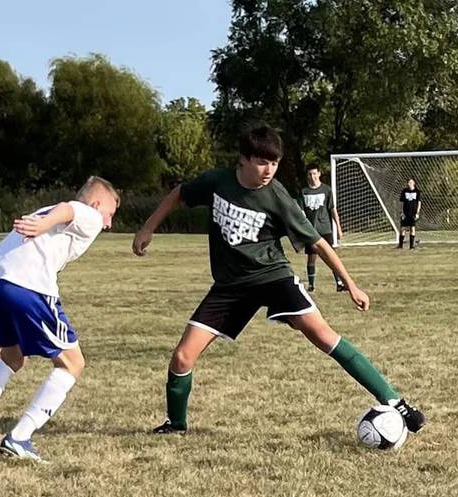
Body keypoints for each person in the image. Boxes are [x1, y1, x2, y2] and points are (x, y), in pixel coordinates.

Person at [132, 124, 425, 436]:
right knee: (182, 356)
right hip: (230, 287)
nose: (269, 169)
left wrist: (350, 283)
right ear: (242, 159)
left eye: (274, 163)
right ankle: (176, 425)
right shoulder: (217, 182)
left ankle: (395, 401)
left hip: (273, 277)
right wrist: (148, 228)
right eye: (262, 162)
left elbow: (318, 243)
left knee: (322, 335)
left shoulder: (277, 198)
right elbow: (179, 193)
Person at [0, 176, 120, 461]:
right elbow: (71, 208)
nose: (109, 223)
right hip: (28, 287)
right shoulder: (87, 213)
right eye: (110, 214)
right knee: (72, 363)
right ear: (97, 203)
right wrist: (46, 224)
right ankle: (19, 437)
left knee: (12, 358)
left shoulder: (45, 209)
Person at [299, 163, 344, 292]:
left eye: (314, 173)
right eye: (309, 174)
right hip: (311, 231)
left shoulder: (326, 190)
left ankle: (339, 283)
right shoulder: (304, 192)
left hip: (325, 229)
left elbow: (333, 210)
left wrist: (339, 228)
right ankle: (312, 285)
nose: (312, 176)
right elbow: (301, 213)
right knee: (311, 258)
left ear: (319, 174)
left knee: (331, 256)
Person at [398, 178, 422, 249]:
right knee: (402, 228)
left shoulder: (417, 192)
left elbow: (419, 203)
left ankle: (411, 246)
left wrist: (417, 213)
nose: (409, 183)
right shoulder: (404, 191)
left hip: (413, 213)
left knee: (412, 228)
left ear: (414, 183)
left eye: (411, 182)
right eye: (408, 182)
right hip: (405, 213)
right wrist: (401, 212)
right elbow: (401, 202)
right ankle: (400, 245)